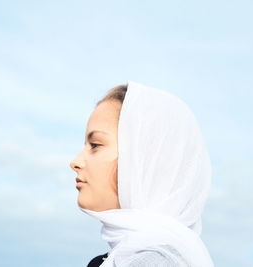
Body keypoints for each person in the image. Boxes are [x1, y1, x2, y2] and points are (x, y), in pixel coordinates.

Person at [70, 81, 214, 267]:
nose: (75, 162)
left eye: (95, 145)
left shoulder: (155, 262)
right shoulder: (114, 260)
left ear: (144, 159)